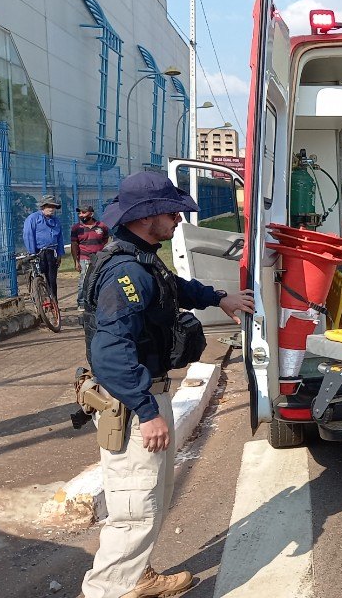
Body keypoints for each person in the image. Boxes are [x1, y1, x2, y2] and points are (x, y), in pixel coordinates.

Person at [81, 172, 255, 598]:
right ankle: (110, 589)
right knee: (135, 508)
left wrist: (218, 297)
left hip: (143, 395)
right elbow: (110, 353)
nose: (179, 219)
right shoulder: (125, 272)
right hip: (131, 404)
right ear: (146, 217)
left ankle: (136, 575)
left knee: (150, 498)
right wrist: (146, 411)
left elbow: (170, 288)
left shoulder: (141, 259)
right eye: (172, 212)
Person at [22, 195, 64, 299]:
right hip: (38, 252)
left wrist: (59, 254)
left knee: (52, 279)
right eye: (49, 206)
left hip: (51, 252)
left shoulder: (56, 221)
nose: (51, 209)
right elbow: (28, 235)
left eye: (53, 207)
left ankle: (54, 301)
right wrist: (32, 252)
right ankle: (39, 298)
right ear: (43, 206)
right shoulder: (33, 218)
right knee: (39, 275)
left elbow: (60, 238)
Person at [71, 204, 110, 310]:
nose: (81, 215)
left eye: (84, 212)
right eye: (79, 213)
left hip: (99, 258)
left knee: (99, 279)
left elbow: (105, 240)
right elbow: (74, 245)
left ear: (91, 214)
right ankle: (81, 303)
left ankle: (97, 301)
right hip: (84, 258)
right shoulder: (76, 228)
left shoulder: (102, 226)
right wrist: (76, 261)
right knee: (84, 281)